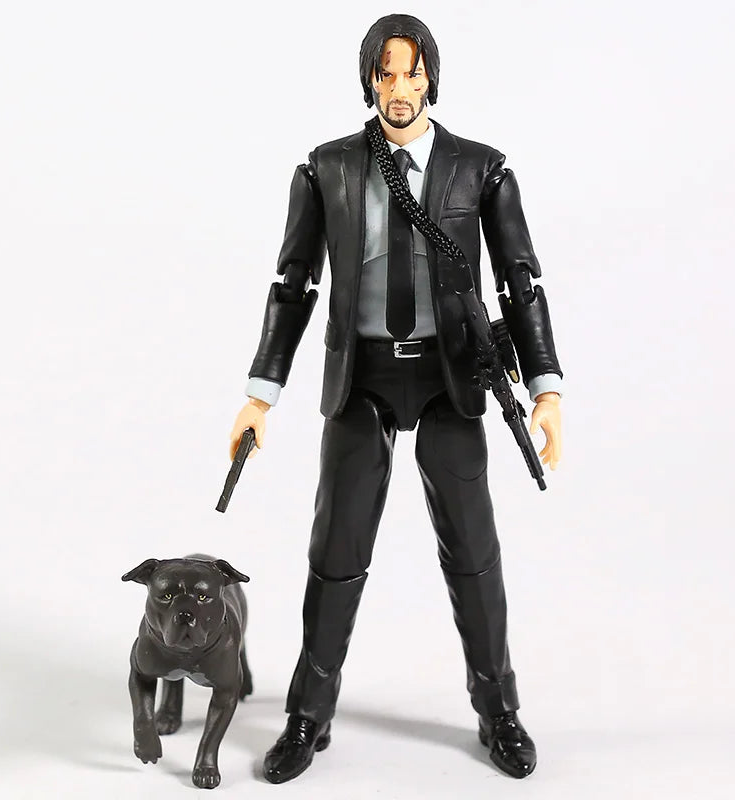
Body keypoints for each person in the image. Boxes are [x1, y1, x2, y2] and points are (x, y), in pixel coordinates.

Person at [229, 13, 563, 783]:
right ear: (369, 79)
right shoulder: (328, 168)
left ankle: (499, 709)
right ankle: (308, 714)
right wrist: (260, 393)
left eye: (412, 71)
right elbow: (293, 283)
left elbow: (521, 281)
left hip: (451, 376)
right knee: (336, 547)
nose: (400, 86)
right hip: (364, 374)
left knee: (473, 550)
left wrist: (545, 385)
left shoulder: (481, 169)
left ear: (431, 76)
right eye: (387, 73)